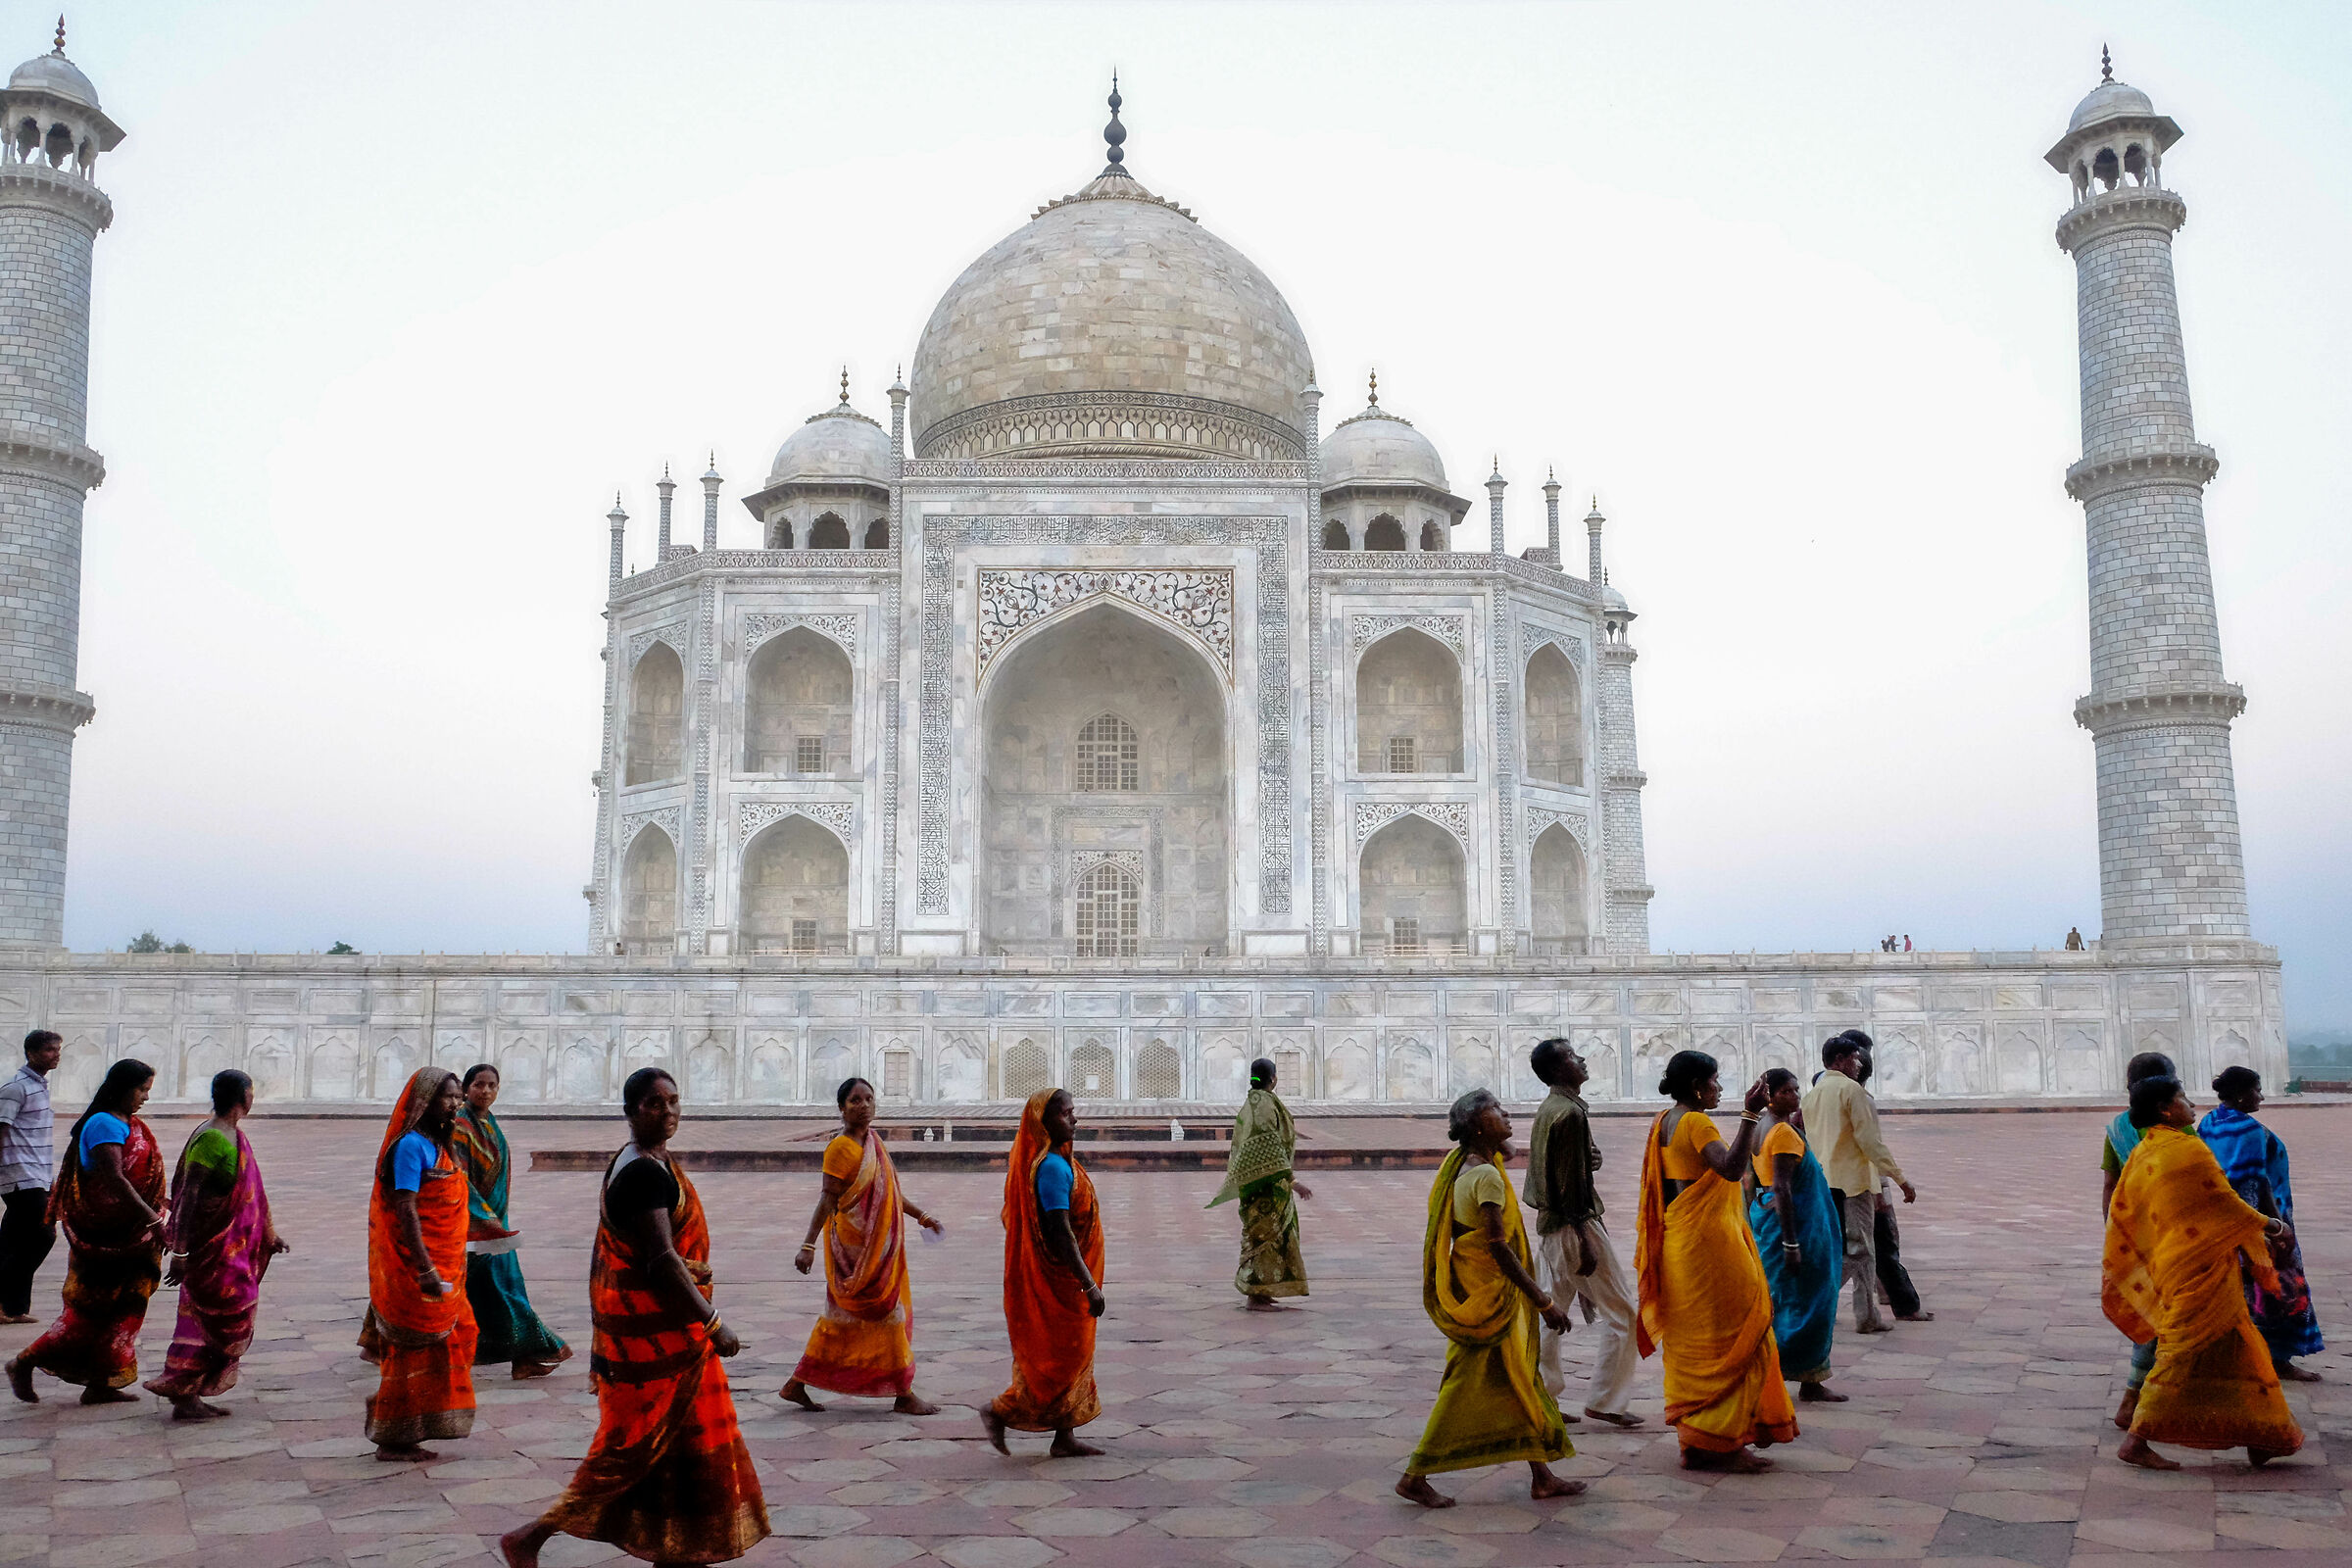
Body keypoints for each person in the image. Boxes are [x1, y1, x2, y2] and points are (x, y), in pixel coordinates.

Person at [500, 1068, 769, 1568]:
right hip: (658, 1344)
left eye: (672, 1101)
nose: (667, 1111)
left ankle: (675, 1548)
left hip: (659, 1341)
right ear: (630, 1111)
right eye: (653, 1103)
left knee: (673, 1454)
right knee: (626, 1453)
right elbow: (662, 1260)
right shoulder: (643, 1173)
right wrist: (713, 1322)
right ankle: (531, 1536)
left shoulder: (644, 1161)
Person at [2103, 1073, 2302, 1470]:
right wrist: (2274, 1226)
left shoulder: (2148, 1150)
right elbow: (2226, 1205)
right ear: (2165, 1108)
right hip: (2199, 1268)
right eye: (2182, 1098)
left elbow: (2128, 1209)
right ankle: (2137, 1438)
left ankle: (2264, 1433)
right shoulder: (2187, 1151)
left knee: (2242, 1344)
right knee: (2179, 1350)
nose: (2192, 1104)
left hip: (2175, 1261)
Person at [1396, 1089, 1580, 1508]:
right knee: (1463, 1384)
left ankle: (1542, 1476)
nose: (1508, 1113)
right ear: (1479, 1125)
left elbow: (1508, 1150)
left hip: (1472, 1287)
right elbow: (1500, 1247)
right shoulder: (1488, 1177)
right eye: (1497, 1111)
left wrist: (1495, 1133)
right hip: (1492, 1296)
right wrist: (1543, 1302)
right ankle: (1414, 1475)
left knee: (1518, 1379)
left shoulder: (1461, 1162)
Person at [1636, 1050, 1794, 1472]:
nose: (1719, 1088)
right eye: (1715, 1081)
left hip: (1681, 1241)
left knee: (1696, 1338)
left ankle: (1697, 1438)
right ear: (1697, 1086)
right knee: (1741, 1330)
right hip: (1710, 1245)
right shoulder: (1695, 1121)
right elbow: (1728, 1169)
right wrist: (1748, 1114)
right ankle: (1724, 1442)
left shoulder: (1662, 1121)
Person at [6, 1057, 165, 1405]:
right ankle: (23, 1362)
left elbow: (138, 1178)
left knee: (126, 1308)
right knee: (87, 1314)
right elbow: (114, 1179)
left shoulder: (130, 1123)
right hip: (107, 1234)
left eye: (147, 1090)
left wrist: (158, 1204)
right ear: (122, 1088)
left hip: (133, 1232)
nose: (145, 1097)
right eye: (141, 1089)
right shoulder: (103, 1124)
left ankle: (101, 1382)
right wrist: (152, 1217)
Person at [782, 1076, 944, 1414]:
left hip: (878, 1249)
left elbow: (889, 1194)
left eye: (869, 1099)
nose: (864, 1106)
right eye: (855, 1100)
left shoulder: (872, 1143)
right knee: (888, 1313)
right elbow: (827, 1200)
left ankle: (797, 1382)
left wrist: (921, 1215)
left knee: (844, 1321)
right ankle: (904, 1393)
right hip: (854, 1250)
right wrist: (807, 1245)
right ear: (841, 1108)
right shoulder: (840, 1149)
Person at [143, 1069, 287, 1419]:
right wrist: (180, 1251)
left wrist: (269, 1234)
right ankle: (181, 1388)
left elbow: (253, 1195)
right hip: (210, 1250)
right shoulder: (211, 1139)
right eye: (251, 1092)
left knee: (233, 1311)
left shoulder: (233, 1136)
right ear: (243, 1097)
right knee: (218, 1315)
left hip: (230, 1251)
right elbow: (189, 1195)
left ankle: (189, 1391)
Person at [1522, 1037, 1642, 1428]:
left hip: (1551, 1229)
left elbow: (1563, 1169)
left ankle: (1541, 1397)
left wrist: (1591, 1161)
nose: (1583, 1059)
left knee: (1550, 1314)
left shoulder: (1553, 1108)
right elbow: (1568, 1186)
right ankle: (1606, 1400)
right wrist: (1585, 1237)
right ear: (1559, 1070)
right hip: (1574, 1226)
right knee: (1622, 1311)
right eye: (1573, 1056)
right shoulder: (1568, 1114)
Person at [981, 1089, 1106, 1458]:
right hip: (1062, 1281)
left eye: (1073, 1112)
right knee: (1060, 1358)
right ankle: (1000, 1410)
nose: (1074, 1120)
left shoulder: (1061, 1162)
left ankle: (1063, 1437)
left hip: (1066, 1281)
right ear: (1044, 1122)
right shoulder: (1051, 1167)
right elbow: (1060, 1231)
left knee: (1071, 1354)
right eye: (1066, 1114)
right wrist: (1088, 1284)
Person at [362, 1066, 476, 1460]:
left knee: (463, 1333)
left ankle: (410, 1426)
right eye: (448, 1095)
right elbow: (406, 1208)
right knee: (410, 1351)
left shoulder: (442, 1145)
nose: (456, 1102)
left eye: (458, 1095)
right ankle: (392, 1437)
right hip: (418, 1268)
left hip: (447, 1266)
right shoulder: (410, 1146)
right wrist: (425, 1267)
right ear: (425, 1101)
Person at [2197, 1067, 2324, 1383]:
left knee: (2240, 1292)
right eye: (2257, 1090)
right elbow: (2254, 1183)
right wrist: (2274, 1229)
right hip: (2259, 1222)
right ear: (2242, 1094)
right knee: (2277, 1290)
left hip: (2224, 1222)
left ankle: (2245, 1359)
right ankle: (2276, 1360)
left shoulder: (2210, 1123)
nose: (2261, 1096)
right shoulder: (2249, 1130)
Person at [452, 1064, 570, 1381]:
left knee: (495, 1291)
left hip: (494, 1226)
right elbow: (459, 1180)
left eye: (492, 1085)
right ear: (466, 1088)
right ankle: (538, 1348)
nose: (486, 1091)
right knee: (502, 1291)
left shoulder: (487, 1122)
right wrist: (485, 1221)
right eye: (479, 1085)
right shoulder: (461, 1126)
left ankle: (522, 1354)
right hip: (477, 1228)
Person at [1799, 1034, 1916, 1336]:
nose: (1858, 1064)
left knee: (1864, 1249)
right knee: (1860, 1250)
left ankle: (1867, 1315)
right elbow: (1869, 1142)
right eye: (1853, 1059)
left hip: (1824, 1182)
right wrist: (1899, 1179)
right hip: (1852, 1183)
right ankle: (1812, 1297)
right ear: (1839, 1060)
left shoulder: (1812, 1094)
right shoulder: (1852, 1091)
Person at [1747, 1068, 1844, 1403]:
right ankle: (1806, 1376)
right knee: (1813, 1302)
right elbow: (1783, 1187)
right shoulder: (1783, 1134)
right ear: (1770, 1096)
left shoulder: (1761, 1127)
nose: (1795, 1095)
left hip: (1769, 1220)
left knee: (1786, 1300)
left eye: (1796, 1089)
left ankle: (1791, 1375)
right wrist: (1791, 1243)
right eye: (1787, 1091)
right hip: (1798, 1228)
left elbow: (1755, 1183)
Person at [2102, 1050, 2176, 1425]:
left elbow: (2110, 1186)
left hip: (2135, 1234)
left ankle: (2136, 1401)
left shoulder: (2117, 1127)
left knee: (2150, 1319)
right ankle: (2140, 1408)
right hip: (2177, 1237)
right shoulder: (2181, 1130)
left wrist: (2111, 1233)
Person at [1208, 1057, 1313, 1310]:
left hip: (1260, 1183)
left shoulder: (1255, 1101)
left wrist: (1291, 1131)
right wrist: (1294, 1181)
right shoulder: (1262, 1104)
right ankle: (1255, 1295)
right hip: (1267, 1185)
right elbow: (1268, 1145)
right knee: (1265, 1237)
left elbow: (1266, 1131)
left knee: (1269, 1236)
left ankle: (1263, 1291)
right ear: (1274, 1078)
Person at [1849, 1046, 1929, 1323]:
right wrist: (1891, 1185)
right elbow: (1871, 1147)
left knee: (1853, 1249)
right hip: (1861, 1185)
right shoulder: (1857, 1098)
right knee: (1875, 1248)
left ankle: (1880, 1300)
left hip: (1831, 1185)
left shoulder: (1818, 1095)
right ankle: (1903, 1305)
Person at [0, 1029, 62, 1324]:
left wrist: (48, 1177)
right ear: (31, 1053)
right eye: (49, 1050)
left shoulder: (40, 1087)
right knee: (43, 1234)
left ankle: (13, 1308)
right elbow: (1, 1130)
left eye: (57, 1049)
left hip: (35, 1173)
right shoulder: (16, 1088)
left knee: (12, 1241)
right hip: (18, 1173)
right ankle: (6, 1302)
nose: (56, 1055)